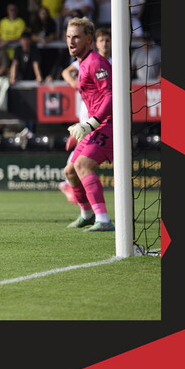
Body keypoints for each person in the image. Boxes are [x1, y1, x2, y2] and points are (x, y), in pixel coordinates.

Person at [59, 17, 115, 232]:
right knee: (70, 171)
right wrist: (82, 128)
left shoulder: (96, 62)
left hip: (108, 125)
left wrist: (91, 123)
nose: (71, 42)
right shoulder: (82, 63)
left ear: (89, 39)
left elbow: (110, 96)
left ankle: (104, 220)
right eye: (68, 37)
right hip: (94, 125)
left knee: (82, 166)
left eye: (76, 37)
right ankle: (88, 215)